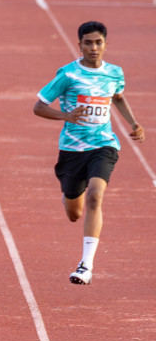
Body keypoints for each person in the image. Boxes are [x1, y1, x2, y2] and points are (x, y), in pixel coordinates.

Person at [33, 20, 145, 284]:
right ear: (79, 44)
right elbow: (38, 107)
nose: (93, 48)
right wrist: (66, 115)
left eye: (98, 42)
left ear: (106, 44)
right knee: (74, 213)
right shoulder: (68, 75)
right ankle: (70, 194)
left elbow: (117, 97)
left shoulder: (115, 73)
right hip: (72, 150)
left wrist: (132, 123)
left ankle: (86, 265)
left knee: (96, 194)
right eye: (88, 43)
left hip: (103, 145)